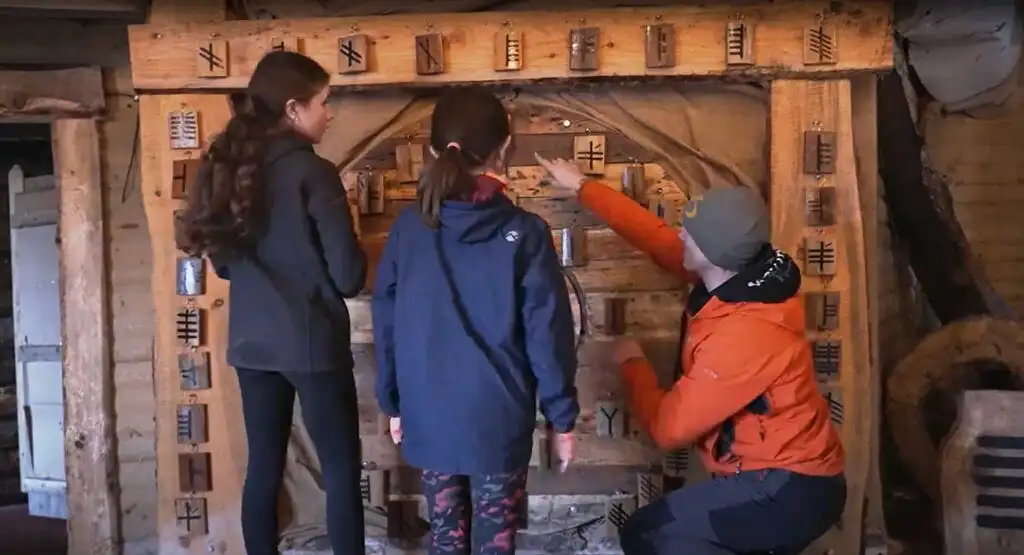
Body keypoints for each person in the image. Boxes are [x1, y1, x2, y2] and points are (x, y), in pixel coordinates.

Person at [536, 155, 847, 555]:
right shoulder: (736, 272)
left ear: (715, 253)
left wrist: (633, 365)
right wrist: (583, 186)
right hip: (783, 476)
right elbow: (657, 237)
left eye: (690, 234)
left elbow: (668, 429)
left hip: (787, 489)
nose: (680, 236)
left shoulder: (745, 334)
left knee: (649, 534)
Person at [372, 88, 579, 555]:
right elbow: (548, 335)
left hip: (428, 412)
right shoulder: (525, 233)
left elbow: (387, 322)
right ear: (503, 151)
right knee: (495, 543)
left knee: (446, 541)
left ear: (432, 151)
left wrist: (394, 403)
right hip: (498, 419)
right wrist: (562, 421)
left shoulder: (409, 229)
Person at [175, 51, 367, 555]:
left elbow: (224, 266)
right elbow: (349, 277)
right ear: (293, 108)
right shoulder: (314, 173)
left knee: (263, 469)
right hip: (313, 344)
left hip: (251, 344)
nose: (330, 113)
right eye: (324, 102)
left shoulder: (227, 168)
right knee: (342, 471)